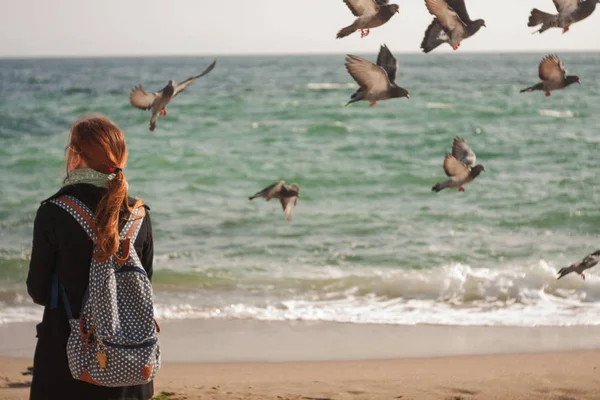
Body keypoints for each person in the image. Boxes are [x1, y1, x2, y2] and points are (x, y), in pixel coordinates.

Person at [27, 115, 155, 400]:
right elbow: (145, 282)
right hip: (129, 362)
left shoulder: (54, 211)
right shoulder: (139, 214)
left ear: (75, 156)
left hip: (69, 360)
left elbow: (38, 291)